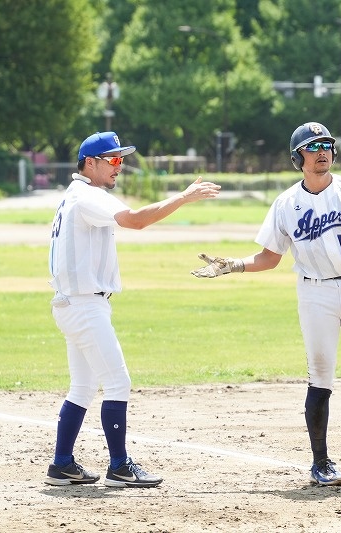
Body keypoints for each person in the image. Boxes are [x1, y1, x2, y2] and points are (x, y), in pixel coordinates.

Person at [190, 122, 341, 486]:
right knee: (321, 377)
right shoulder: (285, 204)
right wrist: (233, 265)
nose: (321, 152)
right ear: (298, 158)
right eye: (313, 147)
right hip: (314, 295)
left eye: (326, 145)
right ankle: (321, 462)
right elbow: (270, 256)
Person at [45, 131, 221, 488]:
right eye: (112, 159)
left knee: (83, 386)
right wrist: (183, 197)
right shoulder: (88, 196)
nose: (119, 166)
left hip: (74, 303)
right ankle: (119, 467)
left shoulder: (77, 194)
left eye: (121, 160)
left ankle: (62, 464)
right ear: (89, 163)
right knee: (117, 382)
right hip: (85, 305)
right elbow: (137, 220)